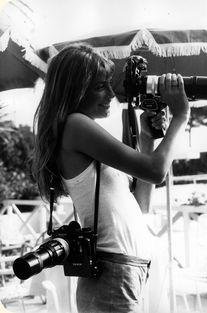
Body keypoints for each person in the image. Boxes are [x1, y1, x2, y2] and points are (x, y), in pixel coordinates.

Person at [32, 43, 190, 313]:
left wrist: (148, 138)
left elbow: (140, 206)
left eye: (108, 85)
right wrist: (181, 115)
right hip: (112, 272)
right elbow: (155, 170)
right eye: (99, 86)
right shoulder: (75, 125)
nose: (110, 95)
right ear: (75, 90)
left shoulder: (79, 131)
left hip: (128, 269)